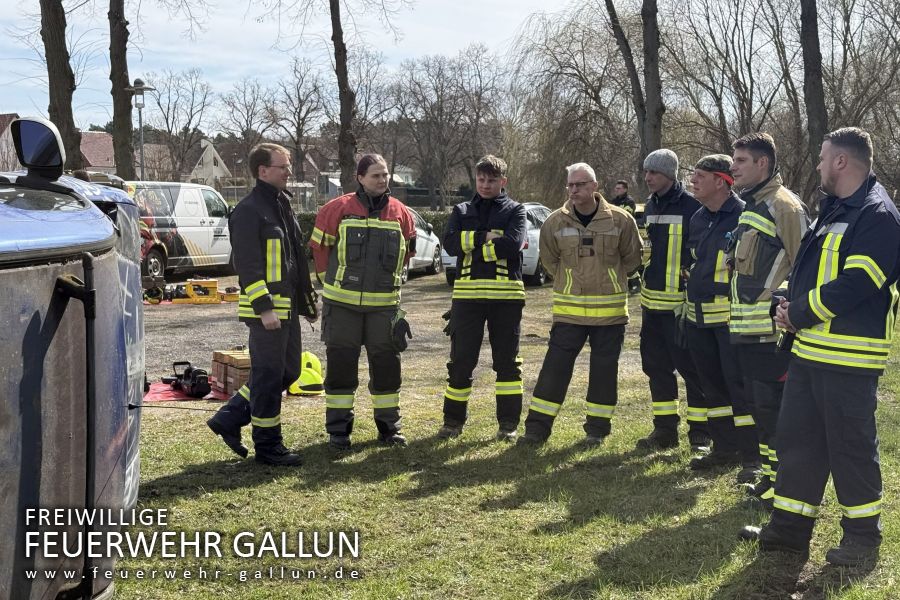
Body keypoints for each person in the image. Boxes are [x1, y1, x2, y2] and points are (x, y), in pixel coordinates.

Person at [740, 127, 900, 567]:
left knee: (850, 450)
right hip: (809, 353)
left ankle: (862, 540)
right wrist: (784, 300)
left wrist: (799, 312)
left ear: (842, 161)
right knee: (798, 445)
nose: (817, 165)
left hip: (849, 358)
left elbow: (858, 283)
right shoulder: (834, 210)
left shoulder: (877, 215)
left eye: (823, 157)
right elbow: (810, 271)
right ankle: (788, 532)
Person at [206, 143, 319, 466]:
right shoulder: (248, 211)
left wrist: (307, 301)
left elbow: (295, 260)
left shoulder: (281, 205)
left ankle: (230, 417)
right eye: (283, 167)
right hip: (266, 312)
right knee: (269, 376)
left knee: (289, 371)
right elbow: (247, 265)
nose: (289, 172)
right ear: (263, 171)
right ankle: (269, 446)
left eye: (288, 166)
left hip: (288, 308)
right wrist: (264, 307)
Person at [519, 163, 642, 445]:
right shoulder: (555, 222)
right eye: (570, 185)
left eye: (580, 184)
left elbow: (632, 259)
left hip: (610, 316)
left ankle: (596, 431)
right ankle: (536, 430)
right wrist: (570, 282)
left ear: (594, 187)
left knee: (603, 373)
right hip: (569, 314)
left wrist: (609, 279)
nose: (573, 190)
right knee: (554, 370)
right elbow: (550, 261)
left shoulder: (621, 220)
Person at [309, 154, 416, 450]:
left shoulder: (401, 213)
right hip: (342, 307)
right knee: (341, 369)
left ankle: (389, 429)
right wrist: (330, 286)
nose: (382, 180)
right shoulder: (336, 209)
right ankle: (339, 431)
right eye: (375, 175)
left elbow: (407, 254)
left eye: (385, 175)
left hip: (384, 308)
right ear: (360, 178)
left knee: (387, 368)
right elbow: (320, 251)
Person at [728, 132, 808, 508]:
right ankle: (771, 477)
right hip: (747, 330)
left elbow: (805, 267)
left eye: (741, 160)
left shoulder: (785, 207)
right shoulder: (752, 205)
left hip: (771, 333)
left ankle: (785, 486)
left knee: (774, 409)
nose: (733, 167)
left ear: (763, 163)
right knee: (759, 408)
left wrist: (790, 314)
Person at [438, 155, 527, 441]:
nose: (486, 185)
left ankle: (508, 425)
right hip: (467, 300)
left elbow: (512, 245)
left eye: (492, 180)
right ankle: (452, 422)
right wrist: (485, 237)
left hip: (507, 300)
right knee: (461, 362)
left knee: (507, 364)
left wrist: (471, 246)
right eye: (481, 179)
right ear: (476, 179)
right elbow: (450, 245)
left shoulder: (516, 210)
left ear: (503, 181)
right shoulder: (461, 209)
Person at [682, 155, 759, 482]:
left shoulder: (744, 216)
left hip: (730, 321)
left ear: (721, 181)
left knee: (739, 388)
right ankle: (724, 448)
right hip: (697, 321)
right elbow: (692, 261)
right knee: (711, 388)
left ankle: (752, 456)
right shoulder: (698, 217)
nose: (693, 181)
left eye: (700, 176)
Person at [635, 149, 710, 451]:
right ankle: (665, 430)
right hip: (651, 306)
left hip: (680, 307)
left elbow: (699, 254)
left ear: (669, 174)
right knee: (656, 369)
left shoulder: (693, 206)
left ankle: (700, 433)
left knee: (692, 371)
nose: (648, 177)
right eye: (646, 171)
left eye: (653, 172)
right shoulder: (650, 206)